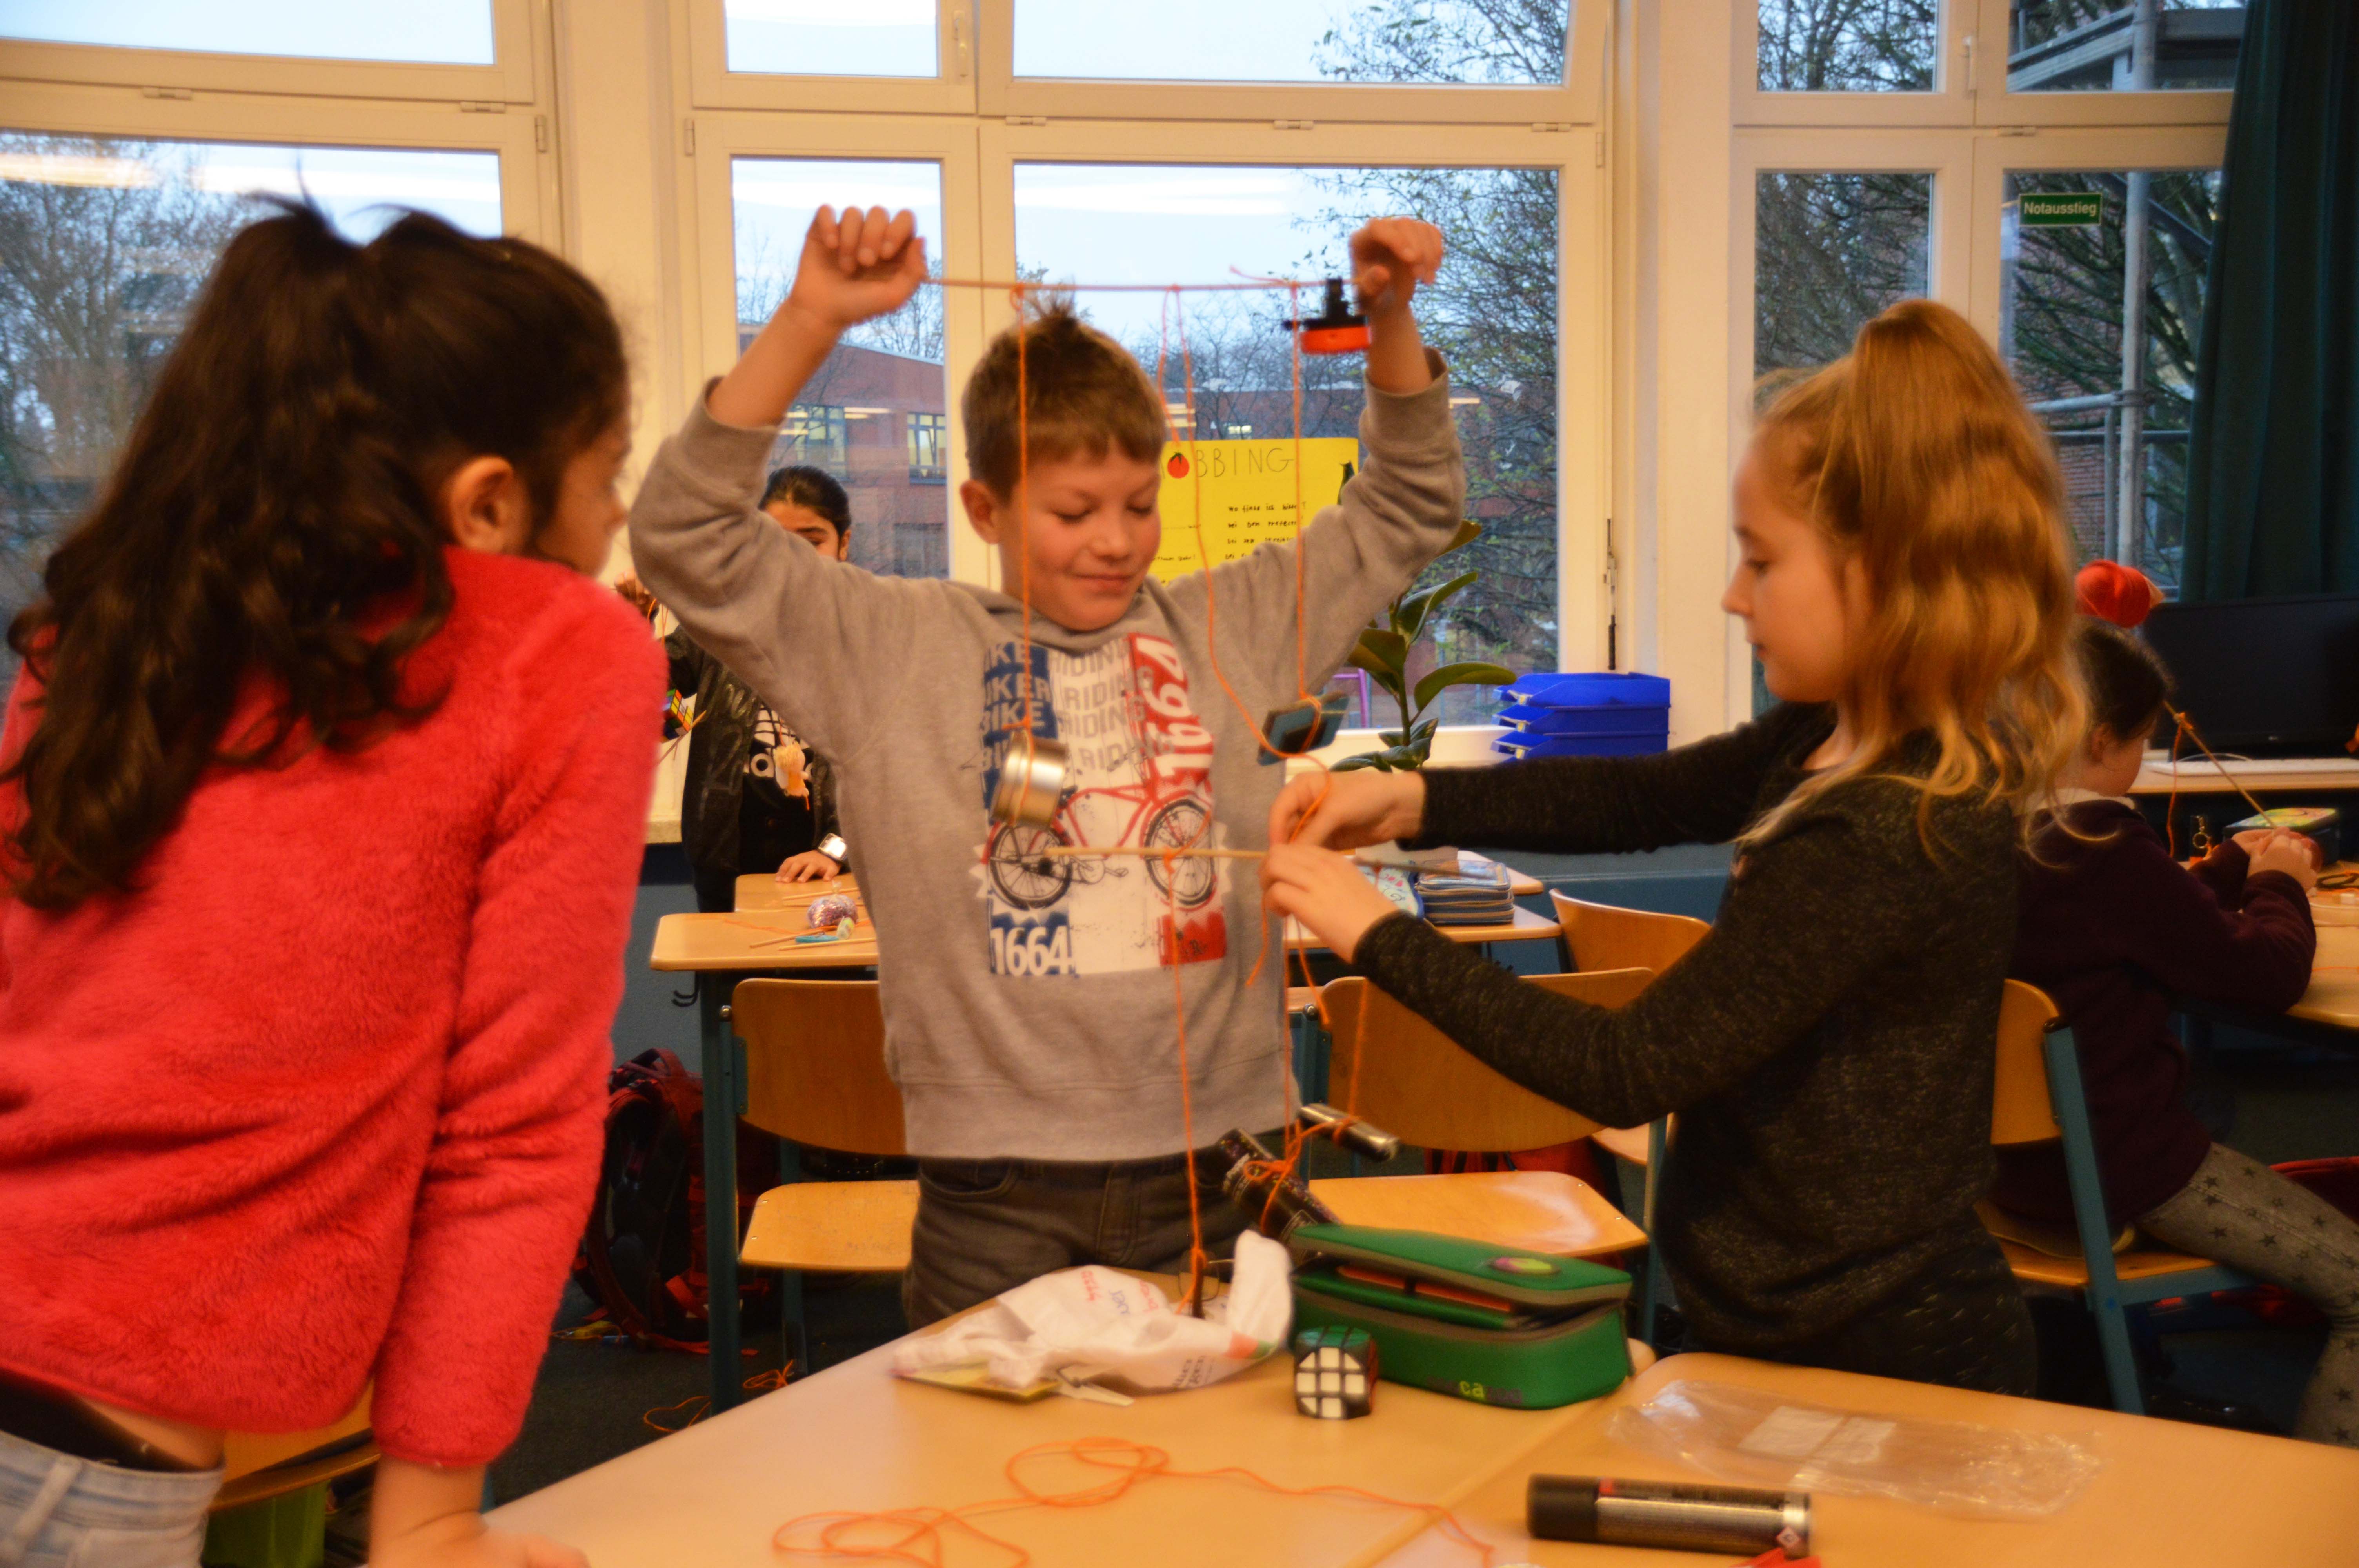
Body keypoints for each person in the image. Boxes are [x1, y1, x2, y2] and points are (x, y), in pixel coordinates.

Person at [630, 203, 1463, 1326]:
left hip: (1220, 1165)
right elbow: (683, 536)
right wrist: (811, 318)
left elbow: (1410, 502)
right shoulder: (890, 649)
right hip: (994, 1191)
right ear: (985, 508)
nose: (1116, 540)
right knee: (982, 1442)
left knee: (1220, 1441)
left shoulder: (1239, 626)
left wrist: (1389, 320)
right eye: (1074, 511)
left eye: (1139, 504)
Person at [0, 205, 662, 1568]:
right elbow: (513, 1131)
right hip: (76, 1458)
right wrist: (430, 1523)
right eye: (607, 477)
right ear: (490, 503)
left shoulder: (118, 622)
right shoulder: (562, 650)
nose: (616, 522)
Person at [1263, 299, 2082, 1396]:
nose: (1734, 597)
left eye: (1762, 561)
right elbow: (1640, 797)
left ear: (1888, 574)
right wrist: (1406, 799)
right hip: (1779, 1326)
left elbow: (1624, 1068)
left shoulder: (1889, 825)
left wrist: (1366, 926)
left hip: (1880, 1354)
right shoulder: (1822, 738)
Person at [1996, 620, 2359, 1448]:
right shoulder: (2102, 847)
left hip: (2014, 1174)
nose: (2145, 757)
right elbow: (2268, 975)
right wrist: (2279, 882)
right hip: (2123, 1168)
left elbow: (2142, 917)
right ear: (2100, 739)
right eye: (2143, 741)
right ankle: (2320, 1499)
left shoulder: (2006, 835)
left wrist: (2231, 868)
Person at [663, 465, 857, 913]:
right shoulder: (717, 627)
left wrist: (835, 850)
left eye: (811, 542)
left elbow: (892, 777)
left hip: (833, 874)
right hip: (726, 870)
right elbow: (637, 700)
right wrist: (635, 620)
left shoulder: (866, 635)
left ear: (843, 544)